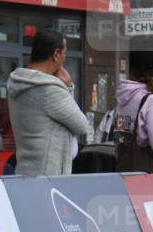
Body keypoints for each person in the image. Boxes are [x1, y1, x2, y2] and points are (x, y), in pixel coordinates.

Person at [6, 29, 91, 176]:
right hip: (49, 176)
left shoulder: (18, 82)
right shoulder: (49, 90)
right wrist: (68, 87)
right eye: (65, 53)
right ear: (56, 54)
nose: (65, 58)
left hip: (26, 171)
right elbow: (82, 125)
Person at [113, 47, 153, 173]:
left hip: (124, 167)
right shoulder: (151, 100)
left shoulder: (124, 96)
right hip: (147, 170)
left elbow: (122, 133)